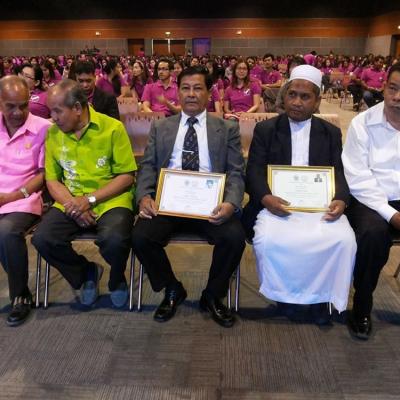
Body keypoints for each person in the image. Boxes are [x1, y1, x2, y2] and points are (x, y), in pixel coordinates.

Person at [131, 66, 246, 328]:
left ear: (209, 92)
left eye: (197, 88)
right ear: (178, 92)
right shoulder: (161, 126)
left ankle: (213, 295)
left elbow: (236, 172)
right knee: (141, 236)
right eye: (185, 88)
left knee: (234, 237)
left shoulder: (227, 128)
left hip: (211, 204)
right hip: (168, 203)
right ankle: (172, 288)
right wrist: (144, 197)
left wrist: (230, 203)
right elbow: (147, 166)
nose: (191, 94)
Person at [242, 65, 356, 324]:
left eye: (305, 97)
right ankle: (285, 297)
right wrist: (265, 198)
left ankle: (321, 296)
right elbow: (254, 172)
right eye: (292, 94)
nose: (296, 102)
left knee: (344, 240)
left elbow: (339, 172)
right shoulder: (267, 129)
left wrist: (341, 199)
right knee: (269, 240)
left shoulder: (329, 132)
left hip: (319, 206)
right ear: (284, 96)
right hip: (275, 205)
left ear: (317, 101)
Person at [32, 80, 137, 308]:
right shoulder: (54, 134)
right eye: (50, 111)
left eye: (57, 111)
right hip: (70, 200)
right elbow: (52, 180)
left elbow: (127, 176)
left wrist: (89, 200)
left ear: (78, 108)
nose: (53, 117)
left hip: (110, 200)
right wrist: (74, 205)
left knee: (114, 240)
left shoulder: (112, 128)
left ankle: (117, 278)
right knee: (43, 239)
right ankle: (87, 272)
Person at [342, 62, 400, 340]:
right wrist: (392, 214)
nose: (398, 97)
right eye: (393, 88)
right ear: (384, 88)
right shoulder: (362, 123)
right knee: (373, 234)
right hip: (370, 198)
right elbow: (358, 176)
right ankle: (362, 303)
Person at [0, 76, 51, 326]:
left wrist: (11, 196)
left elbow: (43, 175)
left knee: (6, 231)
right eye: (10, 106)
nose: (18, 112)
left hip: (24, 197)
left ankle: (20, 295)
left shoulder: (43, 128)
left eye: (23, 105)